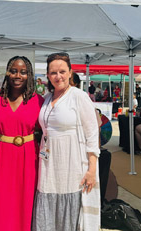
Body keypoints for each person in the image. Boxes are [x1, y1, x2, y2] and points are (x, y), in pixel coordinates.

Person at [33, 52, 100, 231]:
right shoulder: (47, 99)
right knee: (47, 206)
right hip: (48, 167)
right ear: (48, 75)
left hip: (72, 166)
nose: (58, 76)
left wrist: (92, 170)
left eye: (62, 71)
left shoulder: (78, 96)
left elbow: (92, 134)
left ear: (70, 72)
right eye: (53, 72)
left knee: (69, 214)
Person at [0, 56, 44, 231]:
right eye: (13, 71)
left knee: (25, 202)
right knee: (0, 201)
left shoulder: (38, 100)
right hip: (2, 156)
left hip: (28, 158)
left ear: (29, 75)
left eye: (23, 72)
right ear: (7, 73)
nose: (17, 75)